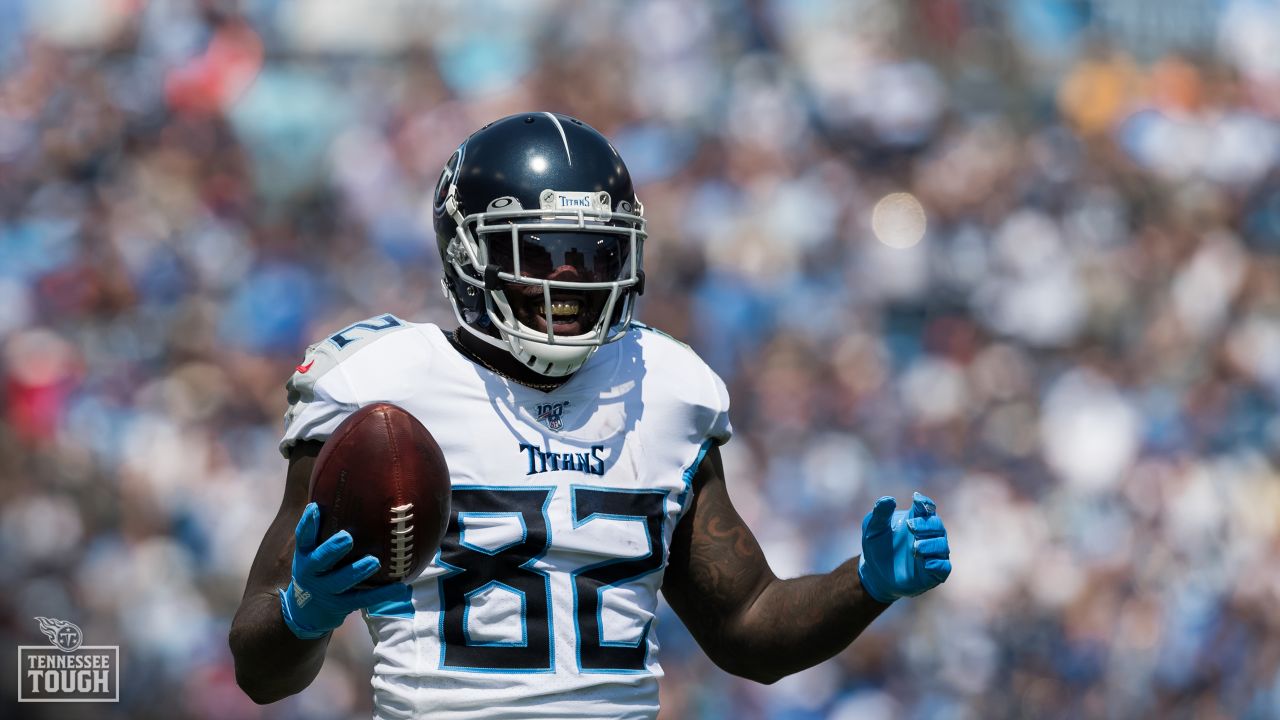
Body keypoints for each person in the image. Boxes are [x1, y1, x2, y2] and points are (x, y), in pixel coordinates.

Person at [228, 112, 952, 719]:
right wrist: (302, 613)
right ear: (467, 252)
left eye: (594, 253)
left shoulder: (663, 388)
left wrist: (867, 583)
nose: (569, 279)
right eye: (542, 251)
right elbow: (260, 673)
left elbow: (747, 630)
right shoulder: (381, 391)